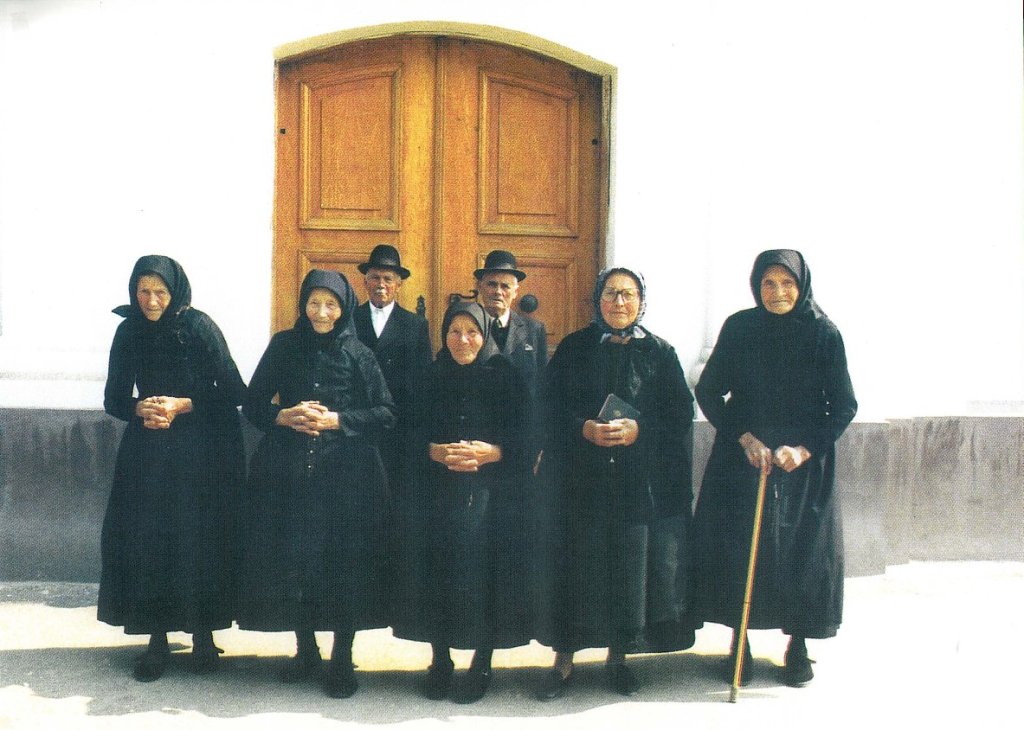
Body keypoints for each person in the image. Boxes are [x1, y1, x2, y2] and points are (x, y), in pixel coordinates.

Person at [692, 249, 857, 687]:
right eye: (768, 283)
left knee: (802, 552)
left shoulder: (823, 333)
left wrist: (803, 450)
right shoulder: (740, 328)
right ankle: (739, 643)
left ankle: (797, 645)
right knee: (738, 548)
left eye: (787, 283)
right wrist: (744, 438)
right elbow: (709, 391)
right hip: (744, 456)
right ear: (756, 286)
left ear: (802, 286)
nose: (777, 292)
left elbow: (844, 405)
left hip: (802, 464)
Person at [536, 267, 697, 700]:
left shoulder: (659, 352)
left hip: (634, 484)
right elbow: (547, 407)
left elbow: (680, 414)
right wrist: (583, 428)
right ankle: (563, 661)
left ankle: (618, 657)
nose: (619, 303)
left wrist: (640, 430)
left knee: (627, 570)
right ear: (597, 299)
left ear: (642, 301)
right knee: (576, 566)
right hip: (579, 482)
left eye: (628, 294)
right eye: (610, 293)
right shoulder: (575, 348)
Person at [239, 269, 396, 699]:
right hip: (287, 474)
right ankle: (306, 650)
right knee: (296, 562)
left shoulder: (359, 353)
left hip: (346, 478)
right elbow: (252, 403)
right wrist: (283, 415)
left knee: (344, 566)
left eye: (330, 304)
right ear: (303, 304)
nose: (321, 313)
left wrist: (337, 420)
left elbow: (386, 412)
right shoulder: (283, 345)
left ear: (343, 308)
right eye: (313, 303)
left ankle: (342, 656)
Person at [99, 255, 246, 682]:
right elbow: (113, 398)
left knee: (198, 539)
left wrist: (184, 404)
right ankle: (157, 640)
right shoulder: (128, 331)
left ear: (175, 291)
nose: (151, 301)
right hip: (149, 453)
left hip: (201, 452)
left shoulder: (198, 326)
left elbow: (234, 390)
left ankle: (203, 635)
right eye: (143, 291)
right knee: (150, 540)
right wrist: (139, 408)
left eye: (160, 292)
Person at [394, 301, 531, 704]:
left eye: (472, 332)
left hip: (491, 497)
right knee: (438, 574)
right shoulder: (429, 375)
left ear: (485, 335)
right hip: (435, 494)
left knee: (484, 577)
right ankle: (440, 660)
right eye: (454, 331)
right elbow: (402, 432)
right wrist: (431, 450)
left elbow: (530, 435)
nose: (463, 340)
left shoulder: (506, 375)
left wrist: (495, 453)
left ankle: (482, 662)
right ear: (444, 335)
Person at [353, 243, 432, 495]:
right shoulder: (350, 320)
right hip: (357, 425)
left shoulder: (415, 325)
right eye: (375, 277)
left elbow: (422, 382)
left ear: (399, 284)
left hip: (398, 429)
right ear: (365, 282)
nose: (381, 284)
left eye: (388, 279)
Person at [474, 250, 547, 459]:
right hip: (477, 439)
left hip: (518, 441)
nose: (498, 291)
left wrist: (539, 444)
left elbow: (542, 388)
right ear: (480, 286)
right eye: (491, 284)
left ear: (516, 291)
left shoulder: (534, 330)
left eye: (505, 286)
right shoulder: (466, 326)